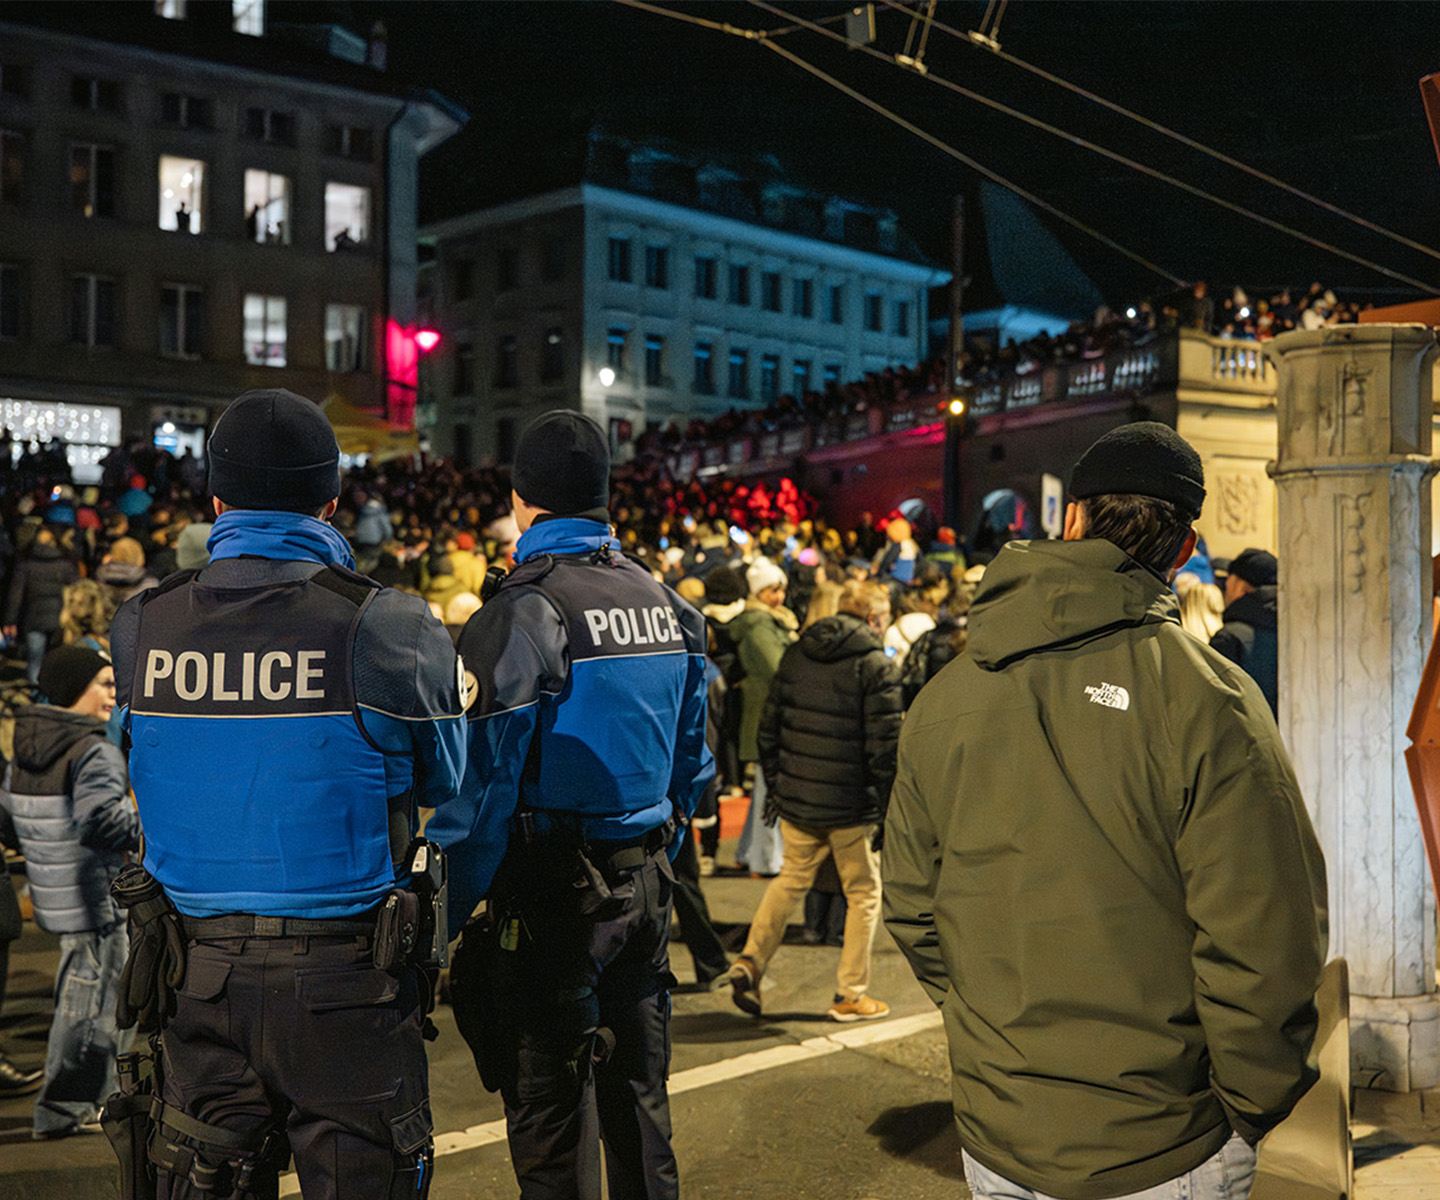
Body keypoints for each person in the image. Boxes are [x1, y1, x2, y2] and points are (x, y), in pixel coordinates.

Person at [884, 421, 1327, 1200]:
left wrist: (989, 1037)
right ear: (1185, 544)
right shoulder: (1210, 701)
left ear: (1070, 518)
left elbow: (914, 906)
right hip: (1165, 1141)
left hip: (1003, 1127)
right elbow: (1267, 940)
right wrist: (1252, 1104)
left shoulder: (946, 696)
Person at [109, 389, 467, 1199]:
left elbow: (137, 763)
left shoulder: (142, 623)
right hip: (347, 986)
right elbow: (445, 779)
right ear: (332, 501)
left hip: (191, 980)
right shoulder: (389, 625)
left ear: (216, 499)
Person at [432, 410, 712, 1200]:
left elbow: (480, 795)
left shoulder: (524, 613)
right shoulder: (667, 604)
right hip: (645, 881)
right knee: (641, 1111)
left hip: (552, 897)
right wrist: (656, 852)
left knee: (554, 1129)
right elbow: (694, 765)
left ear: (522, 501)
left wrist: (440, 921)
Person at [727, 578, 901, 1022]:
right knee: (863, 893)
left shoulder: (798, 651)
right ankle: (850, 993)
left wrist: (779, 786)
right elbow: (885, 749)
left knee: (790, 880)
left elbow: (769, 729)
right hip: (848, 804)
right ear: (873, 617)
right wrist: (887, 808)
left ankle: (750, 959)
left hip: (799, 797)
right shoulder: (874, 664)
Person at [0, 645, 137, 1138]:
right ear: (76, 689)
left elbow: (13, 821)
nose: (113, 693)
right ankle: (63, 1111)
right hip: (95, 893)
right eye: (102, 683)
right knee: (91, 1007)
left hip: (57, 891)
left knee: (84, 997)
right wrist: (148, 822)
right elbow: (101, 819)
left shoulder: (31, 741)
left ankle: (92, 1103)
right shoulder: (91, 748)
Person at [729, 556, 796, 877]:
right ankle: (766, 859)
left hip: (765, 712)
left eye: (780, 589)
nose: (779, 596)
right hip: (768, 714)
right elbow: (780, 668)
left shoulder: (772, 621)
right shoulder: (759, 626)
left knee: (764, 789)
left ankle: (747, 852)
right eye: (772, 590)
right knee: (771, 788)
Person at [1211, 547, 1279, 715]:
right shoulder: (1293, 631)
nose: (1225, 587)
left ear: (1241, 587)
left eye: (1229, 580)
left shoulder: (1229, 638)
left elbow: (1212, 707)